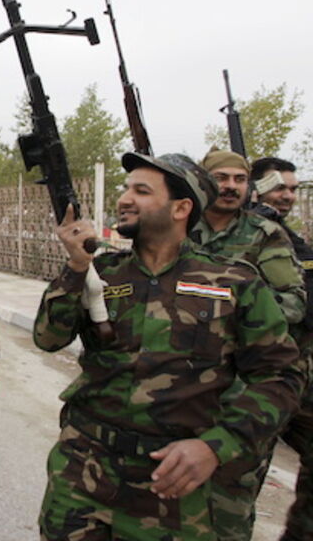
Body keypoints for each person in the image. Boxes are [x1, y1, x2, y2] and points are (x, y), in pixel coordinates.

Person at [36, 152, 302, 540]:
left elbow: (281, 375)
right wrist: (75, 268)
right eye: (126, 188)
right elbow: (47, 338)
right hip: (83, 472)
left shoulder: (232, 282)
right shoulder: (103, 272)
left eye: (141, 191)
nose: (125, 198)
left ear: (181, 208)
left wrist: (217, 447)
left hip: (174, 484)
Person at [188, 148, 307, 540]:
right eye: (222, 178)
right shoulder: (179, 226)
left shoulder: (264, 234)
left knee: (228, 510)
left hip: (241, 393)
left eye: (239, 180)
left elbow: (293, 303)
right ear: (204, 181)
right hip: (181, 390)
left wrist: (225, 302)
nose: (231, 186)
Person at [251, 157, 313, 541]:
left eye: (292, 189)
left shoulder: (295, 243)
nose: (287, 195)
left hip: (300, 378)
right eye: (279, 187)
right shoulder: (238, 235)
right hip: (253, 382)